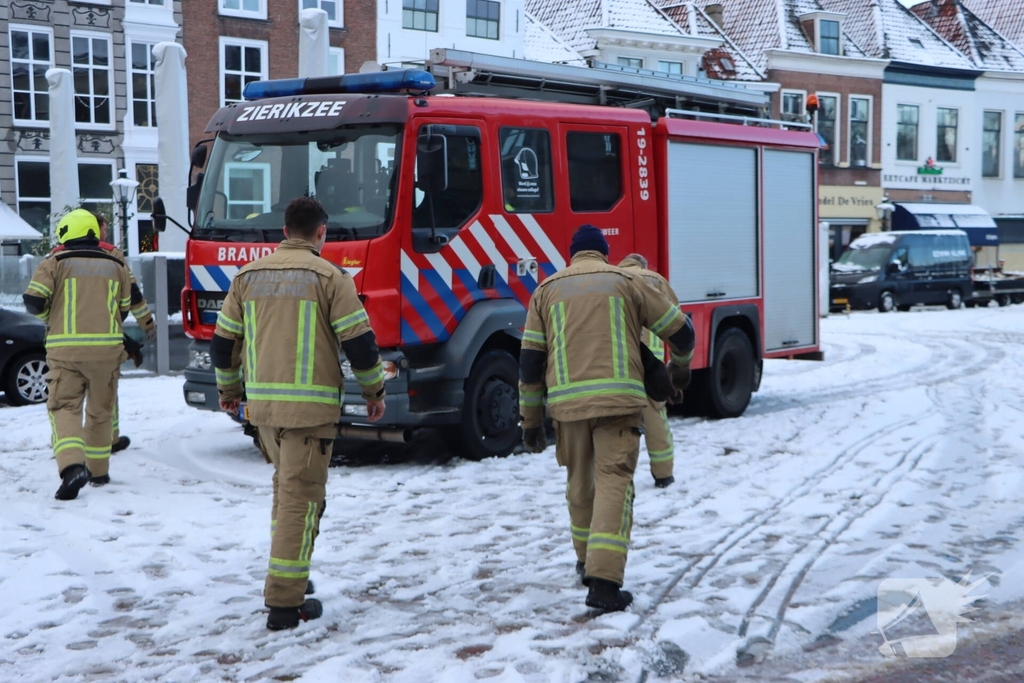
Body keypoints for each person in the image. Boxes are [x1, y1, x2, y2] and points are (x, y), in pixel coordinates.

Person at [211, 196, 387, 630]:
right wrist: (374, 391)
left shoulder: (248, 277)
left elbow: (222, 342)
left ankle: (290, 572)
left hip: (265, 412)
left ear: (285, 231)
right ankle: (285, 604)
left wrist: (229, 390)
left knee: (285, 492)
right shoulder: (330, 277)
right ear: (321, 232)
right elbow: (360, 344)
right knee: (299, 501)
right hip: (310, 415)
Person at [518, 225, 694, 612]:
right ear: (603, 253)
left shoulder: (545, 291)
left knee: (580, 485)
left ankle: (585, 561)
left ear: (573, 254)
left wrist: (530, 421)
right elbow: (682, 333)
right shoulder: (626, 282)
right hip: (619, 403)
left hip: (568, 409)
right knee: (614, 483)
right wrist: (679, 370)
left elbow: (530, 364)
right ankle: (605, 582)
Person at [23, 209, 133, 499]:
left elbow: (34, 301)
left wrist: (51, 313)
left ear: (65, 232)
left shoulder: (54, 263)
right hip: (108, 352)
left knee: (65, 408)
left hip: (66, 352)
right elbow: (124, 308)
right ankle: (99, 471)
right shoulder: (115, 264)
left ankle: (73, 468)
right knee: (100, 411)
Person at [93, 212, 157, 454]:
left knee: (69, 399)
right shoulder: (113, 255)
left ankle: (70, 446)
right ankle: (110, 438)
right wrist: (147, 323)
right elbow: (132, 294)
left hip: (66, 340)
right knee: (107, 392)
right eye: (103, 229)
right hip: (106, 335)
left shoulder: (58, 256)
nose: (106, 234)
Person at [618, 253, 680, 489]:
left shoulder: (614, 280)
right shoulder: (656, 280)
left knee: (621, 423)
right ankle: (664, 474)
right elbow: (676, 323)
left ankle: (619, 477)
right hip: (652, 366)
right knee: (656, 420)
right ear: (642, 264)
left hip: (620, 364)